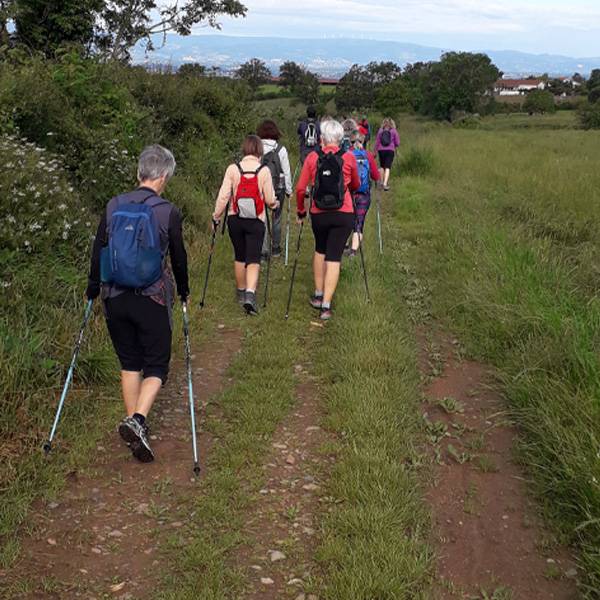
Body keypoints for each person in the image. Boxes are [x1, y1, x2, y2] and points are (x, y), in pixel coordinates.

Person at [86, 145, 190, 464]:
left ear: (139, 172)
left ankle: (134, 428)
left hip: (114, 297)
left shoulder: (113, 205)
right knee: (157, 364)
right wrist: (184, 291)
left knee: (130, 362)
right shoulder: (167, 211)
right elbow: (179, 256)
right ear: (164, 176)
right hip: (152, 297)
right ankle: (138, 422)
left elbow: (98, 250)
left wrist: (93, 289)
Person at [296, 119, 360, 321]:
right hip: (344, 213)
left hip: (319, 213)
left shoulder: (312, 157)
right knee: (334, 257)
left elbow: (300, 189)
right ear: (341, 140)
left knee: (320, 249)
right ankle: (326, 304)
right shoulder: (349, 157)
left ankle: (317, 293)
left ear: (322, 138)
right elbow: (356, 185)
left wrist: (300, 211)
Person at [212, 135, 279, 315]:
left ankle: (241, 292)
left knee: (240, 255)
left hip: (235, 219)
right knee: (253, 257)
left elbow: (223, 196)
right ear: (259, 150)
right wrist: (275, 205)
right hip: (256, 220)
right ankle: (250, 294)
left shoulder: (233, 169)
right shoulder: (264, 170)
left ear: (244, 150)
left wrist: (216, 216)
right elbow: (270, 198)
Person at [257, 119, 293, 258]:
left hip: (261, 187)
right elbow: (287, 171)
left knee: (262, 218)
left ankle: (263, 250)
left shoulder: (257, 148)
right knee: (276, 217)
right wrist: (289, 190)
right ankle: (276, 248)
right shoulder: (281, 149)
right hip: (278, 187)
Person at [348, 131, 380, 256]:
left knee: (348, 219)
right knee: (359, 220)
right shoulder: (367, 155)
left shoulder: (346, 154)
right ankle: (353, 251)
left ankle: (345, 244)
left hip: (349, 194)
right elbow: (376, 175)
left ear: (350, 141)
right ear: (363, 141)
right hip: (364, 194)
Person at [374, 117, 400, 191]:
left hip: (381, 150)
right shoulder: (394, 131)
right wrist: (394, 145)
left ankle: (381, 182)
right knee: (387, 167)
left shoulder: (380, 130)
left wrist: (375, 151)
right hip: (390, 150)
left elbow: (377, 142)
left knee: (382, 166)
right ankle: (385, 184)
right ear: (392, 123)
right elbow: (397, 143)